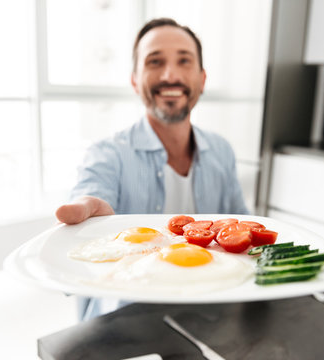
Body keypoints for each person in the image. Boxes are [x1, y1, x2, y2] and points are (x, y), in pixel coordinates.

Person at [55, 17, 249, 319]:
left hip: (210, 307)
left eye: (184, 61)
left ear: (202, 78)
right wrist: (88, 221)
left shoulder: (222, 151)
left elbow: (242, 229)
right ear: (135, 79)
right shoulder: (106, 154)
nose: (170, 75)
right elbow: (88, 198)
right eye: (155, 62)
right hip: (123, 315)